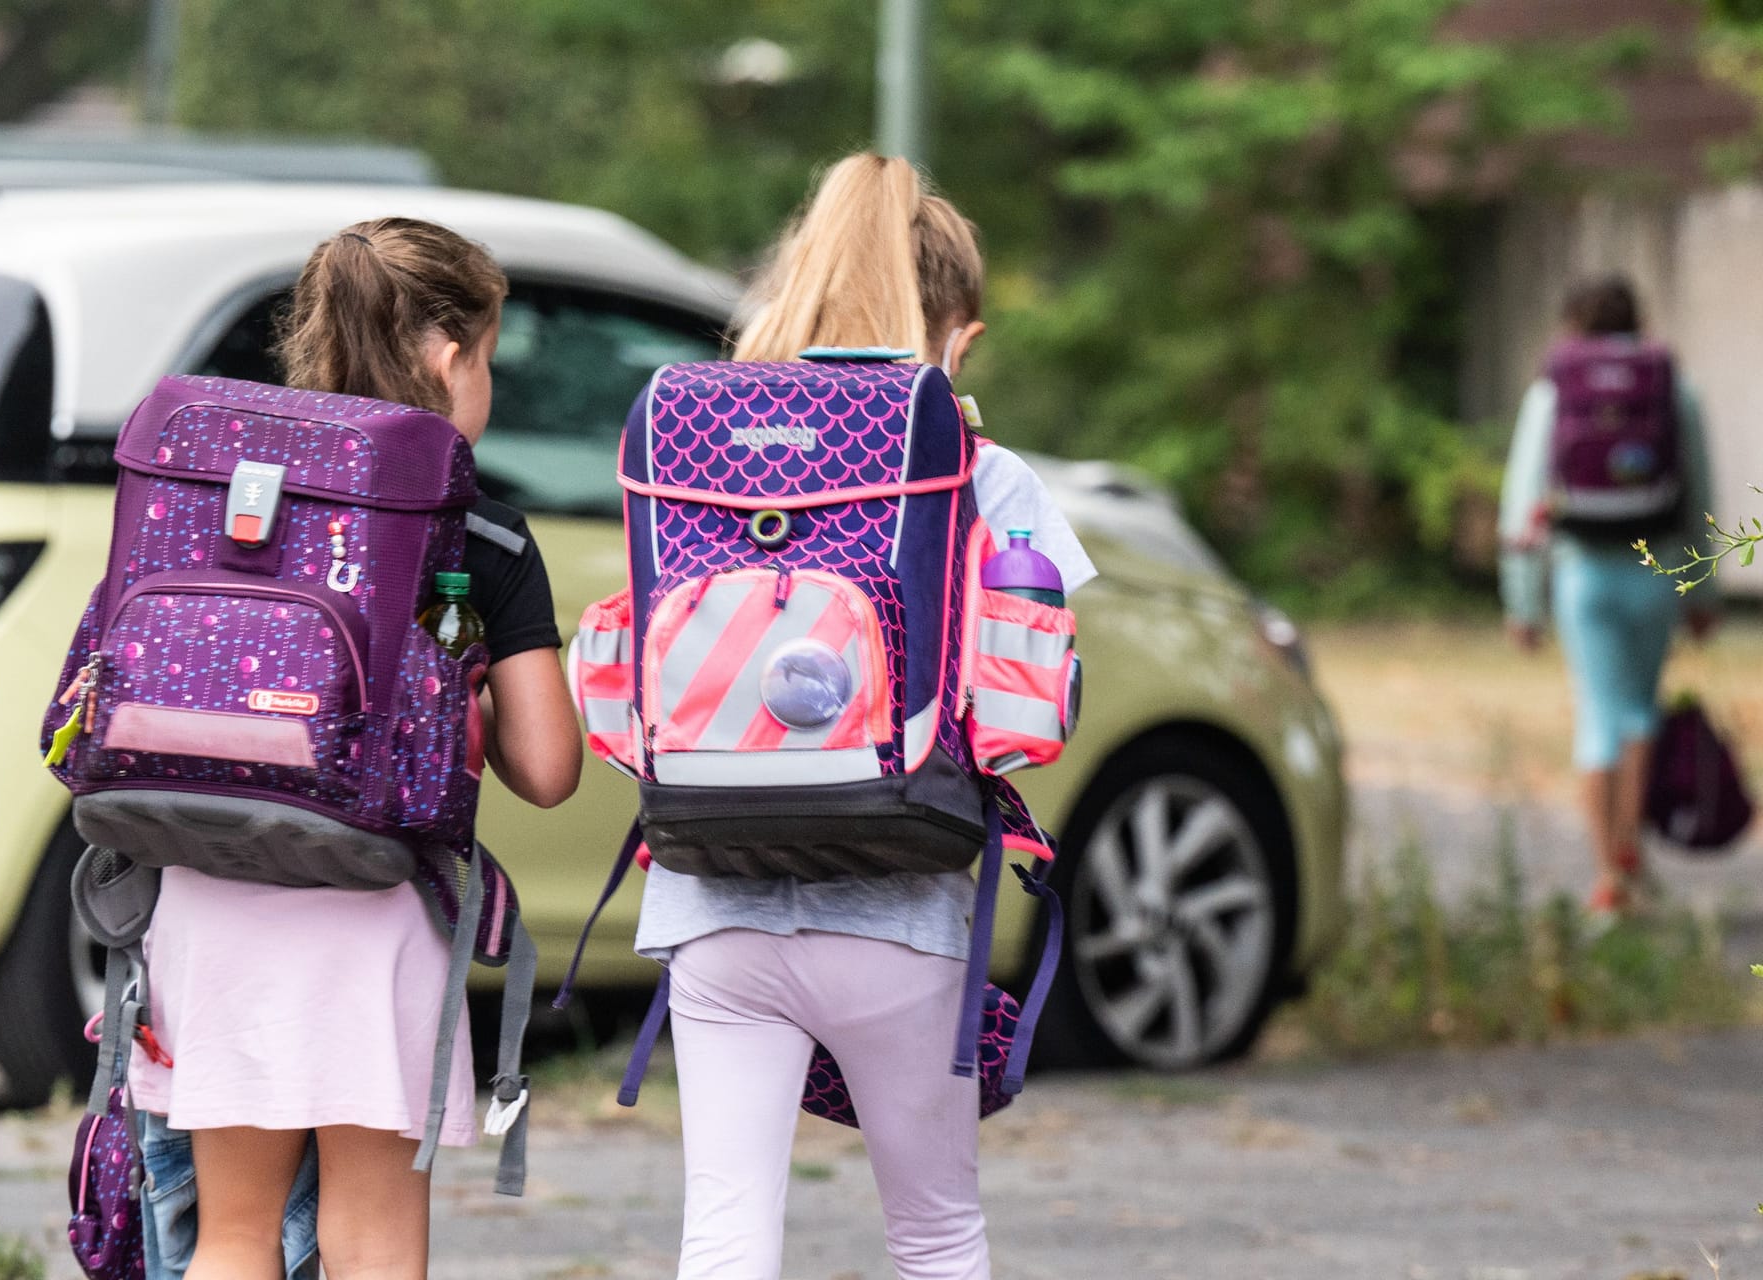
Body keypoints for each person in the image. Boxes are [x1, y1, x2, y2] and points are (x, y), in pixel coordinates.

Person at [633, 153, 1097, 1280]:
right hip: (904, 903)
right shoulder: (989, 473)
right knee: (935, 1234)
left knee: (725, 1232)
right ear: (961, 332)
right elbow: (1035, 707)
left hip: (710, 893)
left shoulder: (697, 440)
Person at [125, 217, 582, 1280]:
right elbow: (549, 772)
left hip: (208, 890)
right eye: (490, 359)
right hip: (374, 911)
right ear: (445, 352)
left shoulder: (214, 494)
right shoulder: (483, 532)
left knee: (229, 1233)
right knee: (371, 1237)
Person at [1498, 274, 1717, 917]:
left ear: (1573, 325)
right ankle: (1631, 857)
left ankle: (1608, 879)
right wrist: (1702, 591)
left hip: (1583, 574)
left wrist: (1522, 603)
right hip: (1657, 568)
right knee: (1638, 715)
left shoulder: (1553, 391)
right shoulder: (1673, 387)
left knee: (1598, 718)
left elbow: (1522, 501)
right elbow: (1700, 494)